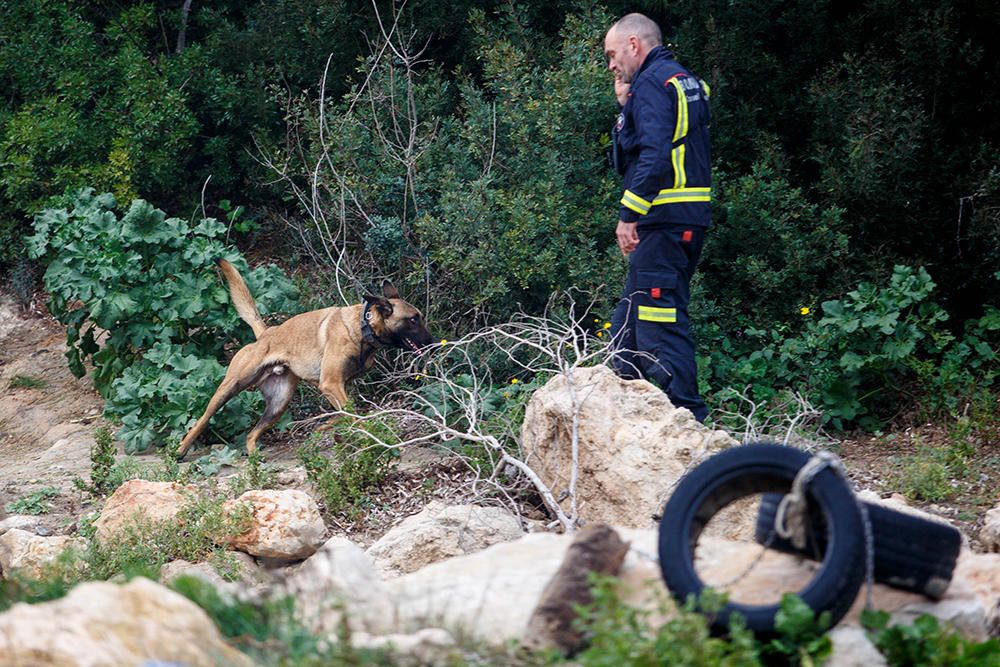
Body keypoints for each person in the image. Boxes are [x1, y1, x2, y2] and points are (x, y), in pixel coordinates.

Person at [605, 13, 711, 422]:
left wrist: (629, 214)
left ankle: (688, 423)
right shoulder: (684, 80)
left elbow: (653, 155)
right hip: (688, 219)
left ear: (634, 44)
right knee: (627, 325)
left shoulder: (651, 83)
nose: (612, 65)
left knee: (658, 325)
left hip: (664, 219)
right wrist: (624, 108)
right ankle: (621, 416)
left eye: (613, 55)